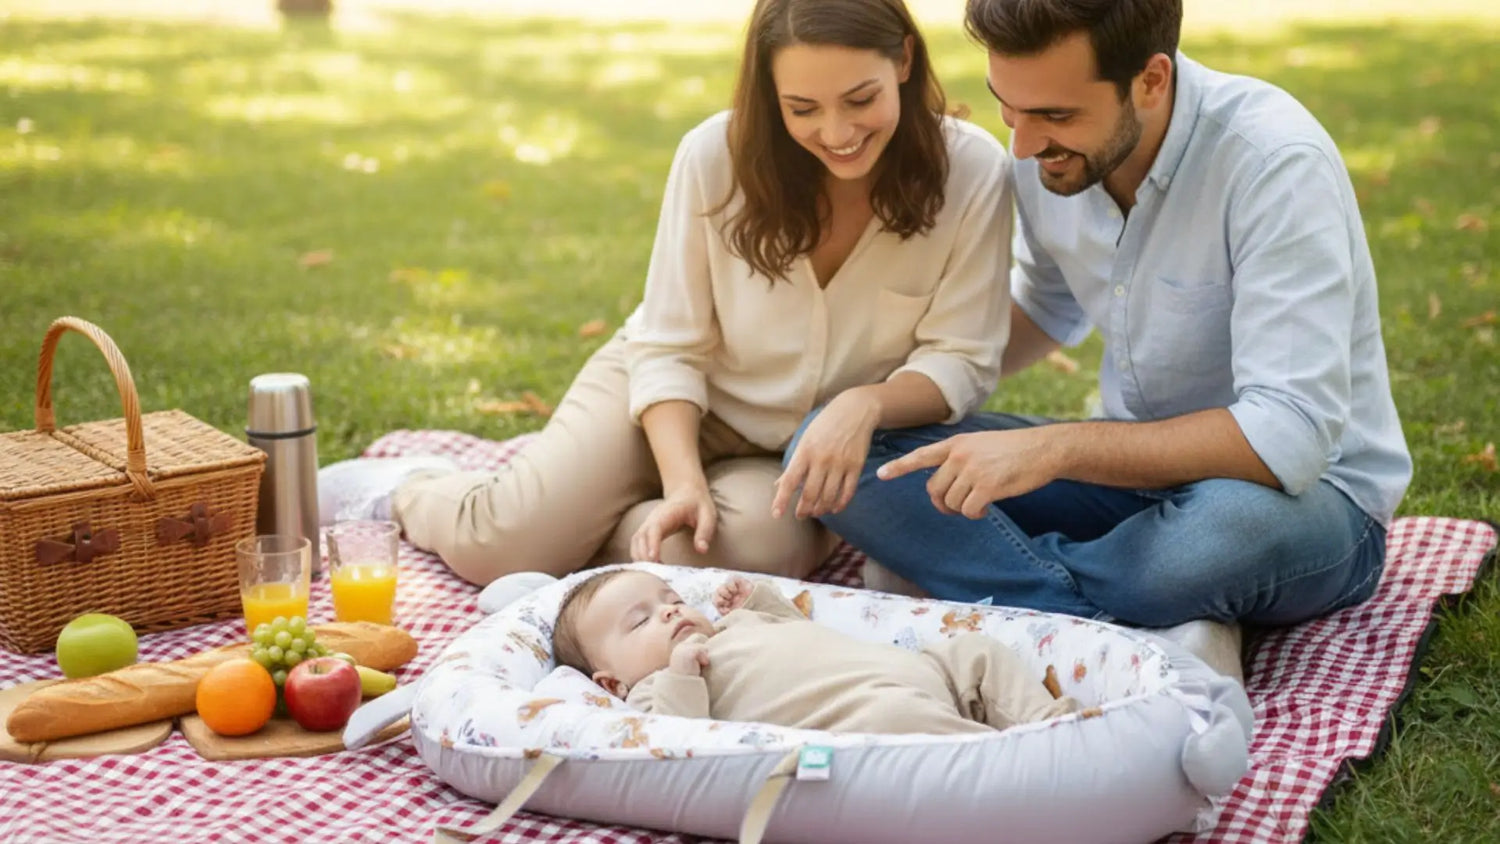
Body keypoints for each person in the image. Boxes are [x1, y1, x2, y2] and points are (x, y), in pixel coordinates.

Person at [792, 0, 1413, 667]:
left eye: (1056, 116)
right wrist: (875, 399)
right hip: (1126, 482)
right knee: (844, 452)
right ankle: (1112, 609)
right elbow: (1045, 304)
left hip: (1302, 499)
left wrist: (1055, 450)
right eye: (1009, 107)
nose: (1024, 146)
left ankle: (989, 583)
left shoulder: (1272, 163)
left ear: (1151, 80)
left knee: (1208, 546)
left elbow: (1287, 436)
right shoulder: (1050, 153)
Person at [318, 0, 1015, 586]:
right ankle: (410, 488)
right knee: (500, 550)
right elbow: (670, 344)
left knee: (740, 558)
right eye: (802, 108)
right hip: (669, 392)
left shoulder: (973, 171)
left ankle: (566, 537)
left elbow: (963, 358)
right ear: (770, 97)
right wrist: (682, 484)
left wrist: (865, 403)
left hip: (795, 451)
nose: (836, 133)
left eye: (860, 100)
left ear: (904, 63)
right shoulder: (715, 157)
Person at [551, 568, 1079, 733]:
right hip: (872, 713)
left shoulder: (731, 627)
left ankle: (1056, 724)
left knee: (975, 648)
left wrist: (759, 599)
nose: (669, 611)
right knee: (909, 726)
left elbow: (796, 632)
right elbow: (675, 746)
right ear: (612, 683)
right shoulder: (654, 693)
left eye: (671, 599)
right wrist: (682, 679)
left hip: (922, 670)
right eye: (641, 620)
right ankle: (1020, 767)